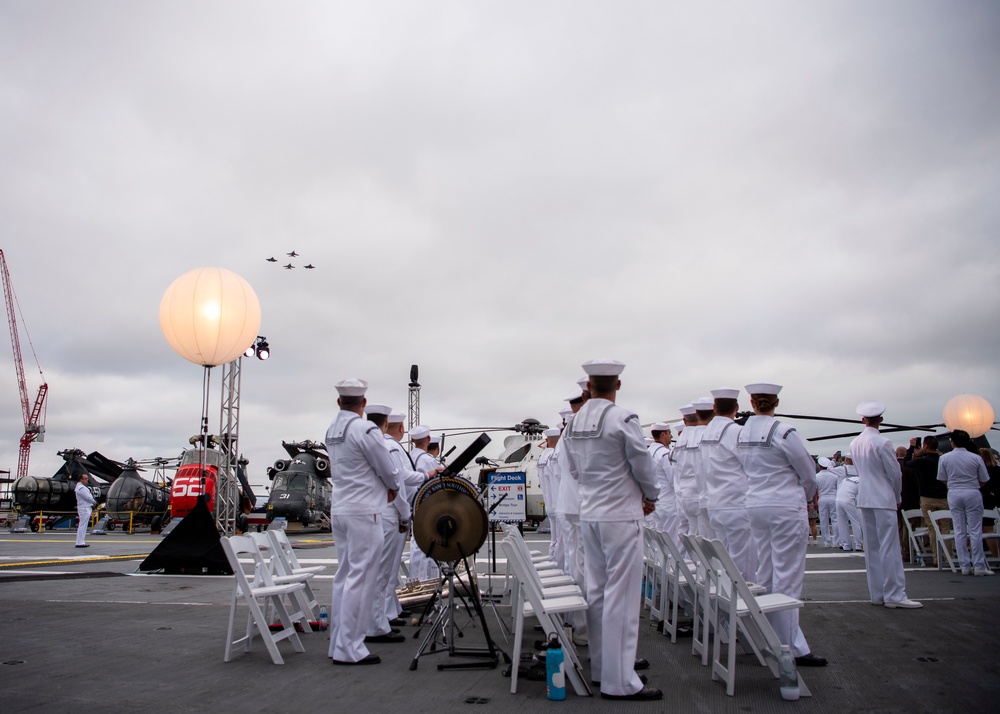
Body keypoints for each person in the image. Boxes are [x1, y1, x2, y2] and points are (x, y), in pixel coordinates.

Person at [562, 359, 662, 701]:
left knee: (598, 591)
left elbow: (574, 471)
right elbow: (642, 464)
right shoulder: (623, 419)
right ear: (617, 385)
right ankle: (620, 681)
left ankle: (603, 667)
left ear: (588, 386)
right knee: (623, 594)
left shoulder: (573, 424)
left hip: (590, 514)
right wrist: (650, 496)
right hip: (620, 514)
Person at [736, 382, 826, 667]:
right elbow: (807, 471)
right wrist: (809, 495)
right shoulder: (784, 431)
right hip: (785, 506)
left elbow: (742, 467)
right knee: (788, 576)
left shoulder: (741, 433)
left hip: (756, 505)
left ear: (752, 402)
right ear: (776, 402)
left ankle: (767, 637)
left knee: (768, 572)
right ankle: (790, 647)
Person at [324, 378, 401, 665]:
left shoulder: (333, 429)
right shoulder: (364, 429)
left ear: (339, 401)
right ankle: (350, 648)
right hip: (364, 511)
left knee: (344, 577)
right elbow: (387, 467)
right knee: (362, 578)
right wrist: (392, 485)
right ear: (363, 403)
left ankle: (338, 643)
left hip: (341, 509)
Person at [850, 401, 921, 608]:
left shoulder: (854, 443)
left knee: (872, 548)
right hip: (883, 498)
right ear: (880, 420)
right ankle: (895, 595)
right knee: (890, 546)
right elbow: (894, 474)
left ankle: (877, 593)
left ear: (863, 420)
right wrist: (898, 496)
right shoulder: (884, 443)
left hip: (865, 497)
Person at [379, 411, 436, 625]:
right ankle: (385, 614)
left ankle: (391, 609)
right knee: (388, 567)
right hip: (395, 510)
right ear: (400, 428)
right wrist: (426, 476)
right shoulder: (392, 447)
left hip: (396, 509)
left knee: (391, 567)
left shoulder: (393, 446)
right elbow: (399, 479)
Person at [701, 388, 755, 582]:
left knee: (723, 562)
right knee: (743, 566)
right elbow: (750, 465)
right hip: (737, 504)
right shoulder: (737, 432)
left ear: (714, 407)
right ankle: (742, 610)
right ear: (737, 407)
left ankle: (724, 611)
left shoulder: (705, 433)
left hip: (715, 505)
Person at [937, 430, 992, 575]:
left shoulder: (944, 458)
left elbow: (942, 478)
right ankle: (979, 566)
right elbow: (984, 479)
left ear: (952, 442)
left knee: (959, 529)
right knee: (975, 530)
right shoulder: (975, 458)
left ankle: (964, 565)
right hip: (972, 491)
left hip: (954, 491)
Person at [407, 426, 441, 582]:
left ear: (413, 440)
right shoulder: (427, 460)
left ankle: (418, 581)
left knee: (417, 544)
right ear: (428, 440)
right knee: (425, 547)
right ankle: (424, 583)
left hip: (413, 505)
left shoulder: (409, 457)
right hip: (426, 507)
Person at [910, 436, 948, 566]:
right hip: (943, 497)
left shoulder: (922, 461)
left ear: (925, 446)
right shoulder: (942, 460)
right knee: (945, 528)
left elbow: (906, 463)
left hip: (927, 498)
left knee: (932, 527)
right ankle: (948, 556)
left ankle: (937, 557)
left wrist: (912, 449)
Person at [648, 422, 678, 541]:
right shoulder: (664, 454)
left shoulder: (648, 452)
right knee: (673, 541)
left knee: (661, 542)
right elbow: (673, 480)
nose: (671, 436)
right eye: (669, 433)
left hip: (656, 502)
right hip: (668, 503)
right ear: (663, 435)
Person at [832, 457, 863, 551]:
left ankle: (846, 545)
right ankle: (858, 544)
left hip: (838, 499)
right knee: (855, 521)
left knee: (842, 523)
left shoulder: (845, 479)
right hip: (848, 500)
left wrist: (833, 460)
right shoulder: (860, 480)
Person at [815, 458, 839, 548]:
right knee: (835, 519)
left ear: (820, 466)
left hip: (822, 497)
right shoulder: (834, 476)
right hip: (833, 497)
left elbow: (815, 490)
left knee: (823, 520)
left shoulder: (816, 476)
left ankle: (826, 541)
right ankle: (836, 541)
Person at [74, 474, 97, 548]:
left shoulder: (80, 487)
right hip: (84, 508)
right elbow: (87, 497)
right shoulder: (81, 488)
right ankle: (80, 542)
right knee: (83, 525)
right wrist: (94, 502)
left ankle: (80, 541)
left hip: (84, 507)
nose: (87, 480)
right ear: (81, 479)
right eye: (85, 478)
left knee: (83, 525)